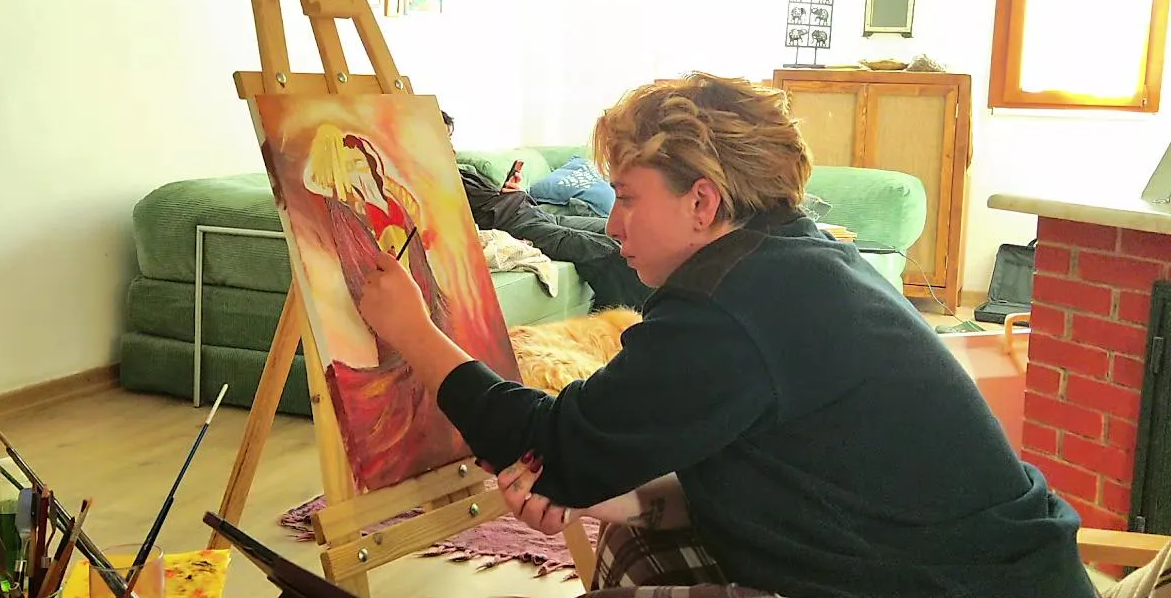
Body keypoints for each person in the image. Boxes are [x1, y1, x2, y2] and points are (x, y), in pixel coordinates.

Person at [356, 74, 1098, 597]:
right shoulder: (792, 257)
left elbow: (553, 445)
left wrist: (414, 332)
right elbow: (770, 458)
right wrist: (620, 494)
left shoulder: (730, 305)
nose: (613, 224)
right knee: (634, 539)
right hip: (993, 571)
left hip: (957, 586)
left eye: (628, 198)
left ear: (702, 203)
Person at [294, 125, 466, 490]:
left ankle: (442, 444)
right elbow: (357, 263)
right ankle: (417, 450)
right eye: (348, 165)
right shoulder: (347, 210)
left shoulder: (392, 199)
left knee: (437, 366)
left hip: (420, 291)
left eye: (361, 162)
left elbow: (417, 249)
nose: (358, 171)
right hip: (391, 301)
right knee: (404, 379)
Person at [441, 110, 652, 310]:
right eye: (443, 139)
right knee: (610, 252)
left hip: (536, 212)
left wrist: (510, 192)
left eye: (450, 139)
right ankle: (628, 326)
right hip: (516, 225)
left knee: (628, 232)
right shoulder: (431, 184)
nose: (452, 148)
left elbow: (488, 202)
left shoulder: (459, 172)